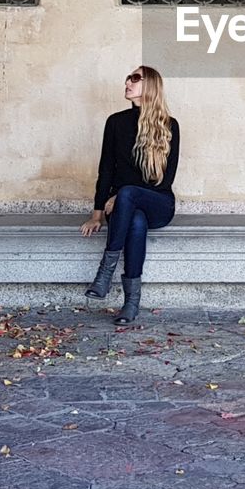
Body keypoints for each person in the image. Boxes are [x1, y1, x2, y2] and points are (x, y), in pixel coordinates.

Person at [79, 65, 179, 323]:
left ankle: (104, 274)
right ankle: (131, 304)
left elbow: (164, 181)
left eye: (135, 78)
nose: (128, 82)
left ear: (151, 86)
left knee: (128, 194)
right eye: (128, 78)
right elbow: (106, 170)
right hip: (123, 208)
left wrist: (122, 195)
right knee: (135, 220)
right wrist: (97, 215)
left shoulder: (169, 126)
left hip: (158, 204)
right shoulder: (115, 122)